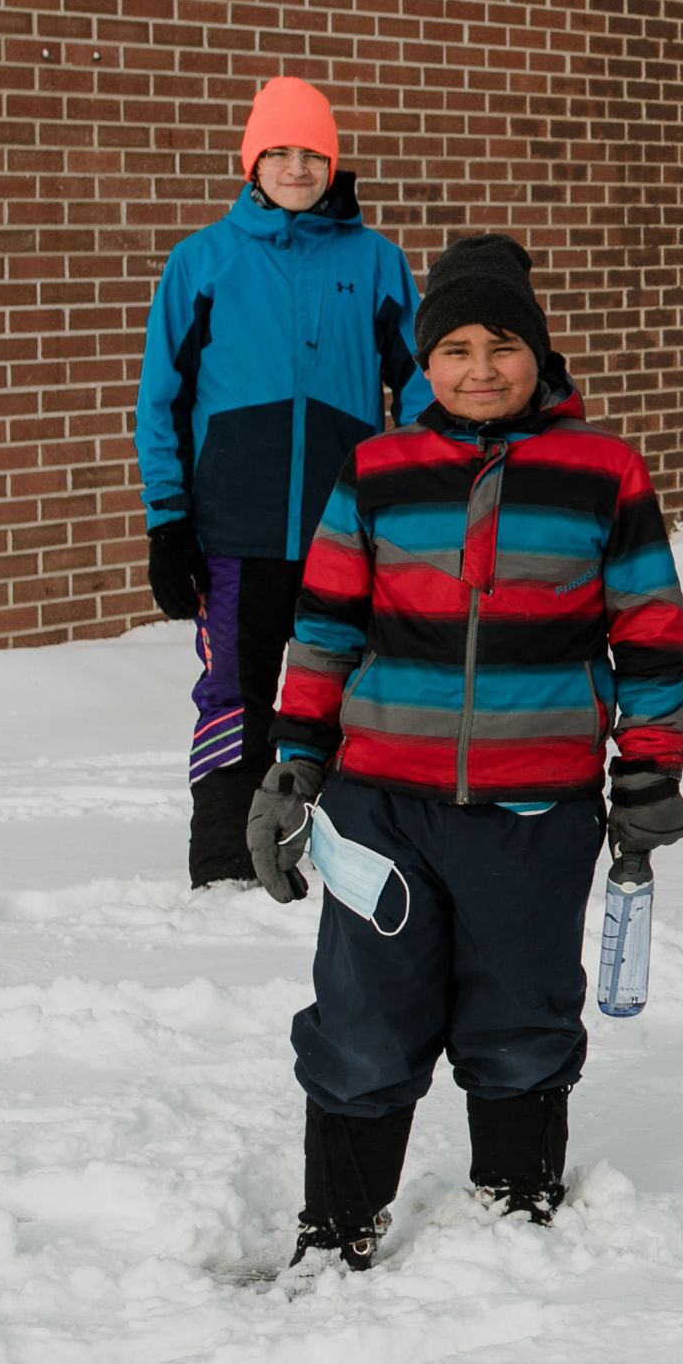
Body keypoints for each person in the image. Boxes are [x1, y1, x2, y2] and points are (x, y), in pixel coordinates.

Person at [249, 236, 683, 1271]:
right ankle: (338, 1226)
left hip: (537, 811)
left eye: (503, 345)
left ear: (541, 355)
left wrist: (650, 768)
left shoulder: (602, 473)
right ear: (421, 364)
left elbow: (651, 632)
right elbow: (323, 629)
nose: (480, 368)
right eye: (453, 347)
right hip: (380, 808)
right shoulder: (376, 471)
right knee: (364, 1012)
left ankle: (515, 1201)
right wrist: (296, 763)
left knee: (523, 1004)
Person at [133, 77, 419, 888]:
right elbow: (161, 401)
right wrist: (168, 521)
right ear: (251, 160)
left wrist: (429, 483)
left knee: (351, 695)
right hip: (233, 533)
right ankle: (226, 862)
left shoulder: (375, 262)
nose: (297, 167)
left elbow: (422, 382)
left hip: (347, 532)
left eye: (313, 153)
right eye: (280, 152)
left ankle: (348, 855)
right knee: (236, 694)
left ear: (333, 162)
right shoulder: (202, 262)